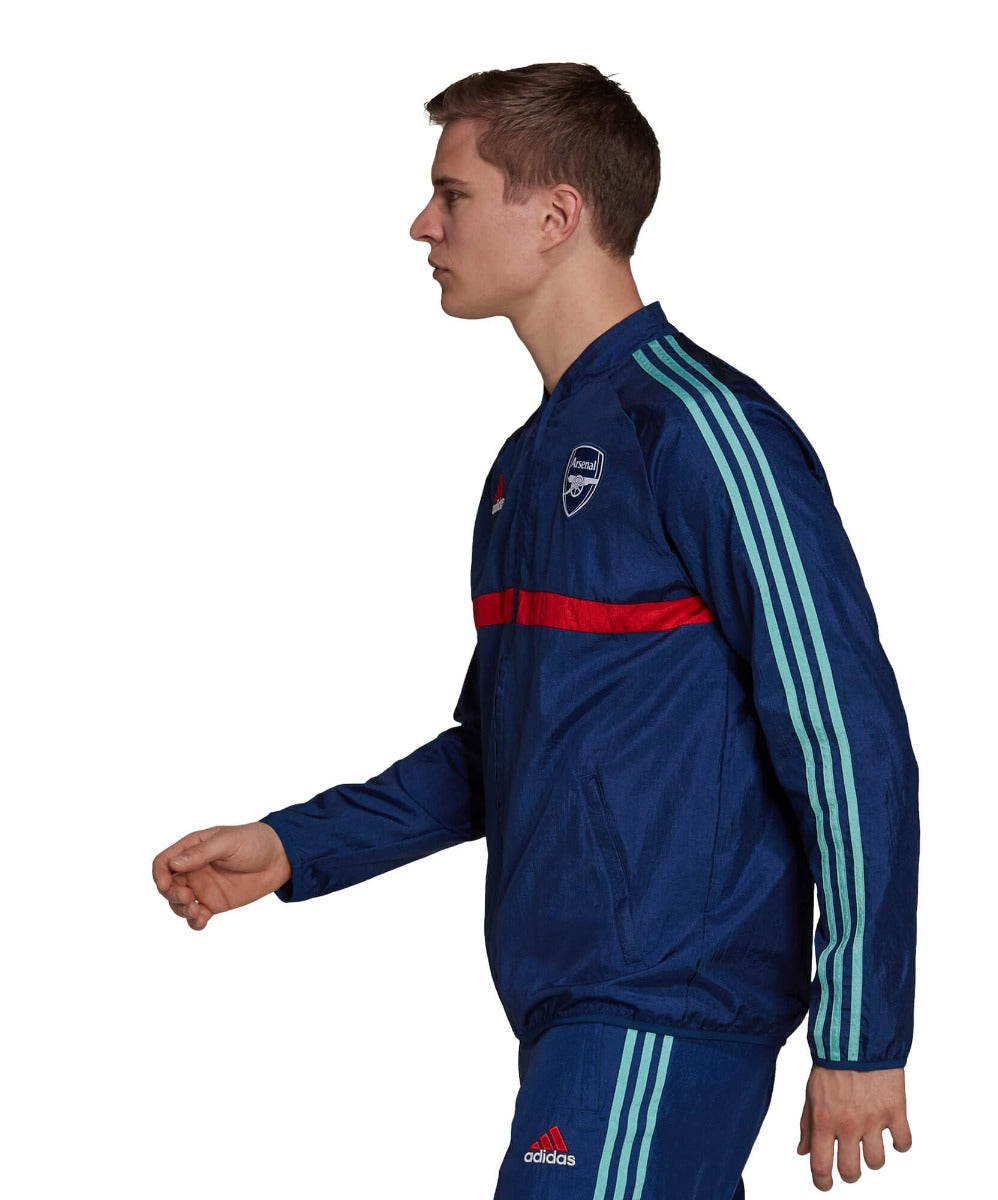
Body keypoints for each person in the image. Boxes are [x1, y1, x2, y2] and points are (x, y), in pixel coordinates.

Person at [152, 62, 919, 1198]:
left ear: (556, 216)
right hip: (573, 1011)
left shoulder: (703, 430)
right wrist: (295, 846)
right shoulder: (527, 467)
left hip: (664, 1000)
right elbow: (501, 748)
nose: (424, 224)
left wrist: (860, 1030)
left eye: (453, 194)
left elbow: (844, 732)